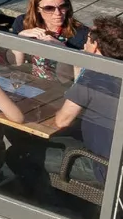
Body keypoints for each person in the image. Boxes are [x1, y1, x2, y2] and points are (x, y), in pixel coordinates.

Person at [42, 14, 122, 192]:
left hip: (104, 168)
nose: (84, 44)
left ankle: (52, 208)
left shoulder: (94, 77)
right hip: (115, 161)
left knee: (20, 154)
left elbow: (62, 121)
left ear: (95, 47)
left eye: (87, 40)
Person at [9, 0, 89, 81]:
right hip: (31, 82)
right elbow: (15, 65)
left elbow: (75, 78)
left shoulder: (80, 34)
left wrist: (63, 49)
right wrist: (20, 39)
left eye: (63, 6)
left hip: (62, 88)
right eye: (49, 8)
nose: (58, 13)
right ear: (37, 8)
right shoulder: (23, 23)